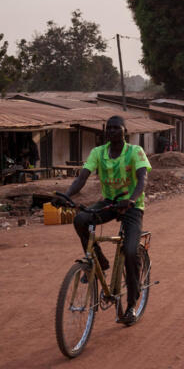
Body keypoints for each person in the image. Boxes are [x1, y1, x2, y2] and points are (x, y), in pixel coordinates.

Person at [62, 116, 151, 324]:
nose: (111, 131)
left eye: (116, 128)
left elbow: (142, 179)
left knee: (130, 251)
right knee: (80, 219)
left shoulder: (135, 151)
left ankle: (131, 306)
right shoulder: (98, 152)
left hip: (131, 206)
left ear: (125, 131)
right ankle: (100, 262)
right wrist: (66, 196)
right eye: (108, 128)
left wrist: (131, 199)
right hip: (109, 203)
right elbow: (81, 178)